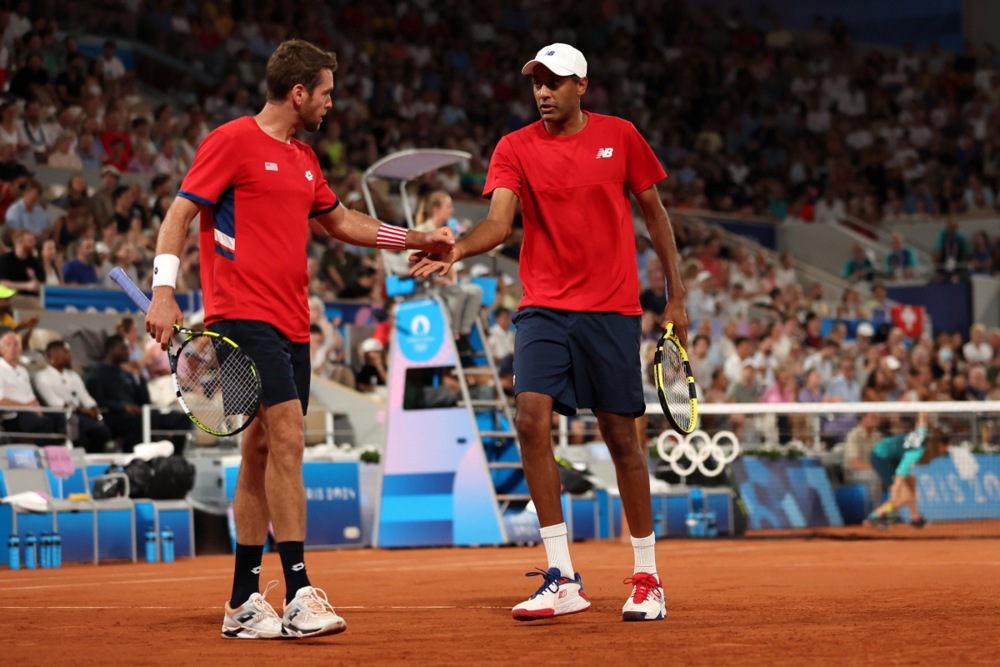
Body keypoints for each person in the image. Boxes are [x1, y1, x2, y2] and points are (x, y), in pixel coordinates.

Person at [142, 40, 454, 640]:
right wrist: (163, 291)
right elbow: (178, 215)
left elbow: (342, 222)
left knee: (260, 450)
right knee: (287, 436)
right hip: (241, 317)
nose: (331, 103)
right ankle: (300, 592)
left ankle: (241, 602)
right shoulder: (230, 141)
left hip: (292, 323)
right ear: (298, 92)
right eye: (327, 93)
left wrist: (418, 238)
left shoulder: (305, 158)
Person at [410, 43, 688, 623]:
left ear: (581, 85)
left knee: (622, 439)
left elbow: (655, 215)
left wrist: (676, 295)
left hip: (611, 309)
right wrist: (457, 249)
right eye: (536, 81)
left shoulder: (621, 136)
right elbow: (498, 224)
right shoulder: (514, 147)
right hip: (544, 307)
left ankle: (648, 578)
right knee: (530, 419)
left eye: (554, 81)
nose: (542, 91)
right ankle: (561, 577)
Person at [84, 334, 191, 454]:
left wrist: (140, 378)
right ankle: (134, 456)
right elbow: (98, 401)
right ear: (111, 349)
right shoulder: (97, 372)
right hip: (113, 417)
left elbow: (145, 401)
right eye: (123, 348)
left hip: (139, 415)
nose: (127, 352)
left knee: (182, 419)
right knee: (141, 421)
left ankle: (175, 456)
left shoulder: (126, 374)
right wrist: (123, 407)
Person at [865, 413, 946, 529]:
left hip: (892, 457)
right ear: (938, 444)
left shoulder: (922, 435)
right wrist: (896, 490)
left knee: (911, 481)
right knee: (904, 497)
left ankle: (915, 518)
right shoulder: (916, 451)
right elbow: (901, 472)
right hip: (881, 458)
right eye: (944, 447)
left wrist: (923, 413)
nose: (945, 450)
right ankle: (875, 516)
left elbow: (921, 424)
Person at [33, 340, 113, 453]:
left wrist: (94, 409)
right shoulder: (42, 376)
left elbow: (85, 397)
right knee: (82, 430)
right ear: (55, 355)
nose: (70, 356)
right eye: (66, 352)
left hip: (80, 415)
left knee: (102, 430)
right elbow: (54, 403)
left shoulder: (73, 375)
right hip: (60, 416)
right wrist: (81, 410)